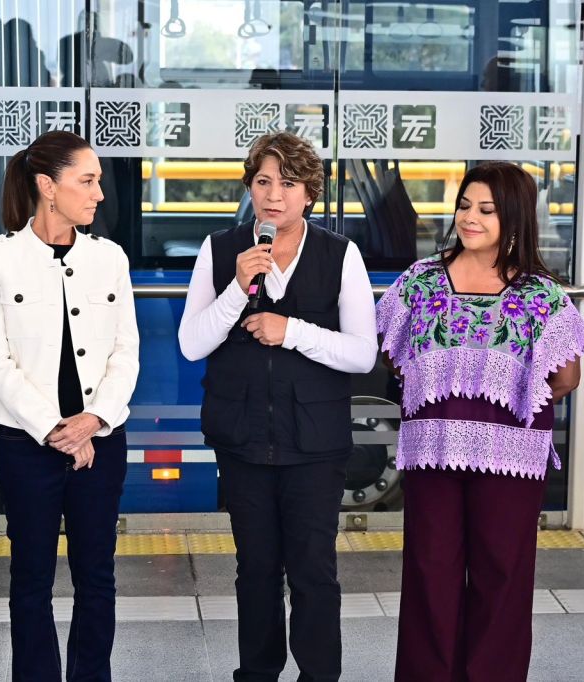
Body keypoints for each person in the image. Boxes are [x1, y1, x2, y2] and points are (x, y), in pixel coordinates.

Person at [376, 162, 584, 682]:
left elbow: (567, 376)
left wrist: (504, 401)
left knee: (501, 576)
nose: (469, 217)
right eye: (464, 205)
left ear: (513, 217)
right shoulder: (420, 281)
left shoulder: (540, 295)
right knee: (432, 572)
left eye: (486, 210)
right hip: (433, 451)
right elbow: (392, 352)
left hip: (511, 458)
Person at [178, 131, 377, 681]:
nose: (273, 195)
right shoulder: (221, 250)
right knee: (256, 571)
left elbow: (363, 353)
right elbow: (191, 343)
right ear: (249, 187)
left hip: (316, 442)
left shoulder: (341, 254)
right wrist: (238, 289)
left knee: (314, 571)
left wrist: (292, 331)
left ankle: (319, 675)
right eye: (263, 181)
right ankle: (257, 674)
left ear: (310, 193)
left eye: (288, 184)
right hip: (242, 440)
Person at [0, 130, 139, 681]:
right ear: (48, 186)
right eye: (86, 181)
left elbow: (126, 353)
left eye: (98, 181)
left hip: (101, 444)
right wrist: (56, 430)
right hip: (26, 445)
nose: (99, 194)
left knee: (97, 577)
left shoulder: (109, 258)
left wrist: (93, 421)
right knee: (30, 579)